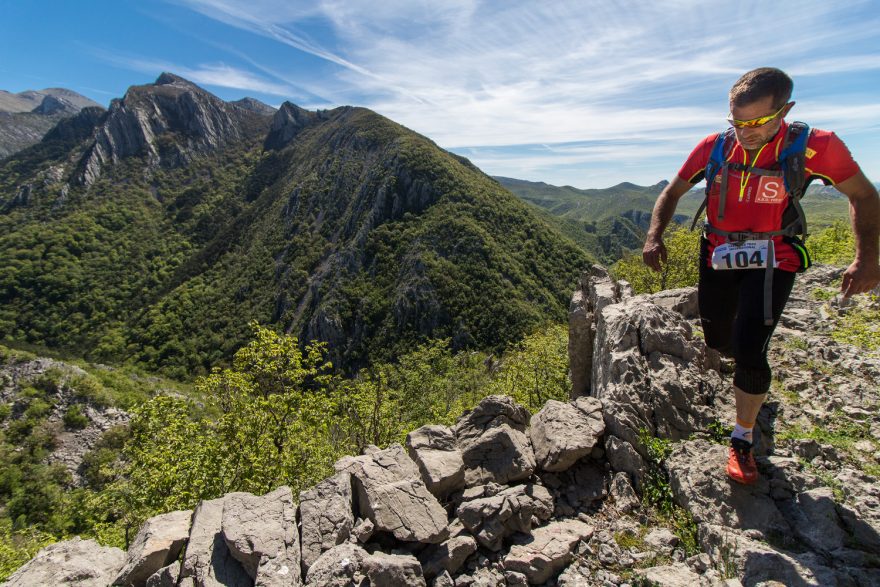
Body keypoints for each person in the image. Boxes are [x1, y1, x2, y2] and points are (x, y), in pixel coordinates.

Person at [642, 67, 880, 485]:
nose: (744, 132)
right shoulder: (714, 147)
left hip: (775, 255)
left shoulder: (817, 147)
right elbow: (672, 191)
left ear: (785, 110)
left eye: (755, 122)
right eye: (736, 122)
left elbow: (863, 194)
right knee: (718, 337)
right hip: (717, 252)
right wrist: (654, 235)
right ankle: (743, 373)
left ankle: (742, 437)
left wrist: (868, 259)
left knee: (751, 348)